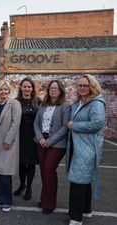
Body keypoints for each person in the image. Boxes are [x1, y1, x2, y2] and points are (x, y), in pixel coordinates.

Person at [66, 75, 106, 225]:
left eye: (85, 85)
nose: (82, 88)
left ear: (92, 86)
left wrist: (74, 126)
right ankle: (86, 210)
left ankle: (76, 218)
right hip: (77, 145)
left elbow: (97, 124)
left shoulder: (96, 103)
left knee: (78, 180)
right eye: (80, 85)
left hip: (88, 147)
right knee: (83, 178)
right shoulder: (79, 102)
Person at [34, 80, 71, 214]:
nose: (53, 90)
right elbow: (36, 123)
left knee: (49, 170)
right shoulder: (42, 106)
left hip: (56, 143)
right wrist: (40, 138)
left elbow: (65, 127)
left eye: (56, 88)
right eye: (51, 88)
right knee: (44, 171)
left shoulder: (66, 106)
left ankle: (50, 204)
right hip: (41, 141)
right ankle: (45, 199)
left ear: (60, 91)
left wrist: (49, 141)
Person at [0, 81, 22, 212]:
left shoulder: (14, 103)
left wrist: (8, 139)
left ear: (8, 91)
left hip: (8, 140)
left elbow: (16, 123)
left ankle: (6, 201)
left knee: (6, 172)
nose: (3, 92)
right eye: (0, 90)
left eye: (5, 90)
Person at [14, 78, 41, 201]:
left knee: (30, 164)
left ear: (32, 88)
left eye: (29, 87)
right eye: (24, 86)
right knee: (20, 164)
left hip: (33, 137)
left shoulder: (38, 101)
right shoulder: (15, 102)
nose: (27, 89)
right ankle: (21, 185)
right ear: (21, 88)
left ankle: (29, 187)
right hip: (19, 136)